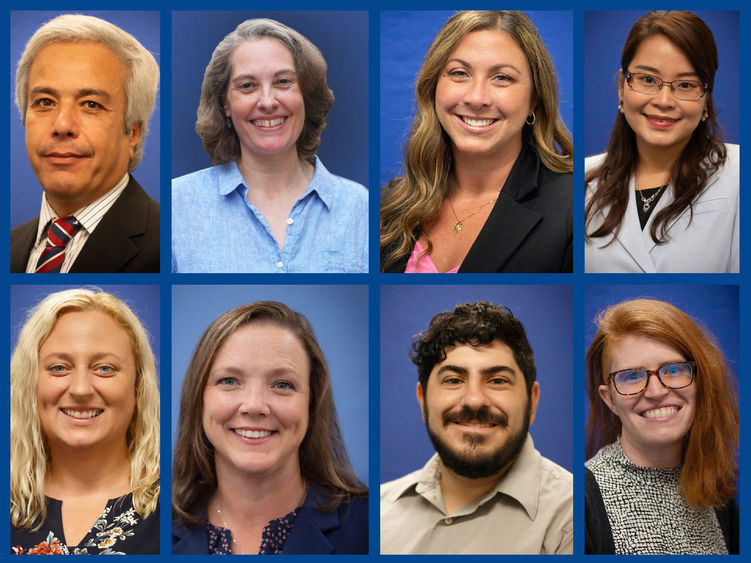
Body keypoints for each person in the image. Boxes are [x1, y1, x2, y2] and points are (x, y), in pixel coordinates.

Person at [380, 11, 572, 273]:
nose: (477, 97)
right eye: (459, 73)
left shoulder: (574, 207)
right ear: (433, 86)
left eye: (502, 77)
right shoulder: (385, 206)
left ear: (534, 100)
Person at [172, 19, 368, 273]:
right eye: (247, 85)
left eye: (283, 81)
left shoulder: (360, 206)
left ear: (305, 96)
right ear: (225, 104)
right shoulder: (176, 205)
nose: (267, 101)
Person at [172, 301, 368, 554]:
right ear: (198, 399)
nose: (254, 406)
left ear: (311, 402)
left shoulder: (372, 527)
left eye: (283, 385)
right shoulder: (153, 529)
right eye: (229, 381)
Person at [380, 302, 572, 554]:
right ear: (422, 399)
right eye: (453, 380)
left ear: (532, 401)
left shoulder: (575, 515)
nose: (474, 400)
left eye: (497, 380)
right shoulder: (378, 512)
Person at [584, 11, 739, 273]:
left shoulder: (740, 172)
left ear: (705, 96)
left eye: (686, 85)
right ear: (623, 86)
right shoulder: (579, 179)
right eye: (647, 80)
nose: (664, 101)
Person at [11, 288, 160, 554]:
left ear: (138, 385)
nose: (81, 389)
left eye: (105, 368)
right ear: (29, 383)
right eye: (58, 368)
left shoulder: (179, 505)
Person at [585, 298, 739, 554]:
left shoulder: (717, 495)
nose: (656, 392)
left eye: (673, 370)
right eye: (632, 376)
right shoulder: (581, 500)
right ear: (609, 399)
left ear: (700, 382)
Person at [11, 14, 160, 273]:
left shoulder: (170, 242)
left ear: (133, 132)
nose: (62, 126)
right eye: (45, 102)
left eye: (91, 104)